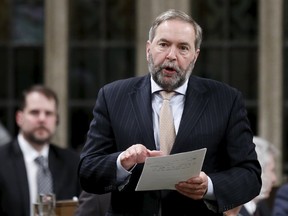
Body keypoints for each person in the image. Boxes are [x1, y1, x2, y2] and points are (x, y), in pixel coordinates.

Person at [78, 9, 261, 215]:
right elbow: (87, 171)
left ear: (195, 56)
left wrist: (208, 185)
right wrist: (122, 162)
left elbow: (251, 176)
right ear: (149, 49)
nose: (171, 56)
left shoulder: (226, 100)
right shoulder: (113, 96)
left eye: (183, 48)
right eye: (163, 44)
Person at [0, 85, 81, 216]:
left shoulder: (72, 162)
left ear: (56, 120)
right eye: (34, 112)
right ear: (19, 118)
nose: (42, 119)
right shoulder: (2, 160)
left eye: (48, 113)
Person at [238, 136, 278, 216]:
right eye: (271, 170)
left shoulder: (261, 206)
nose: (274, 179)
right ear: (258, 171)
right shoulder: (231, 210)